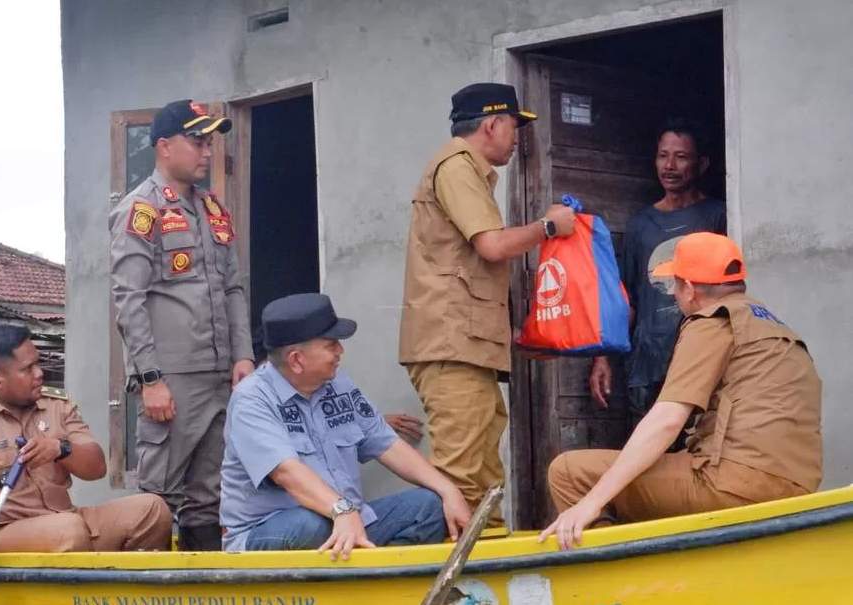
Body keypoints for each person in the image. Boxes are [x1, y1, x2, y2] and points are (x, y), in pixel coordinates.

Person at [541, 233, 822, 550]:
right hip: (797, 486)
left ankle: (618, 580)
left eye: (674, 285)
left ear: (689, 288)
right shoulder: (772, 325)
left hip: (735, 484)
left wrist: (591, 502)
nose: (674, 294)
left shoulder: (712, 321)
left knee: (569, 472)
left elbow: (667, 419)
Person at [399, 82, 575, 524]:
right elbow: (493, 246)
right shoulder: (457, 166)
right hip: (451, 344)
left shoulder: (468, 171)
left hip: (469, 344)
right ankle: (451, 585)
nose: (518, 139)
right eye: (515, 127)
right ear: (493, 123)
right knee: (461, 482)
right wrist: (549, 227)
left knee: (485, 477)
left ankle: (489, 575)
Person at [221, 293, 471, 559]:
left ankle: (375, 585)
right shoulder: (252, 398)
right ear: (296, 359)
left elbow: (386, 444)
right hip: (275, 531)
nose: (341, 351)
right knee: (311, 525)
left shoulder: (338, 384)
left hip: (347, 521)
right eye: (331, 344)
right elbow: (286, 472)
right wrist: (341, 510)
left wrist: (448, 490)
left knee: (429, 506)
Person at [109, 99, 255, 550]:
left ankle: (204, 587)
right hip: (172, 377)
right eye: (197, 142)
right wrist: (150, 378)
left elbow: (232, 288)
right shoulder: (142, 209)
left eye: (209, 143)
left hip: (217, 374)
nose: (207, 152)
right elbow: (128, 298)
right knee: (158, 496)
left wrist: (244, 355)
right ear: (164, 147)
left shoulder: (212, 208)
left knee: (210, 494)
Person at [0, 324, 172, 571]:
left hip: (67, 519)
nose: (39, 373)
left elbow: (96, 468)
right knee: (68, 532)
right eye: (28, 369)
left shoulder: (56, 405)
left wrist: (61, 449)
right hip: (1, 535)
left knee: (152, 510)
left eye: (38, 363)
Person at [590, 118, 727, 435]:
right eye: (663, 155)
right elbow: (628, 301)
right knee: (645, 457)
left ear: (701, 163)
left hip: (698, 361)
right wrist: (602, 357)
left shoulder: (718, 216)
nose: (670, 165)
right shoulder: (641, 224)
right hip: (647, 366)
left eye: (681, 156)